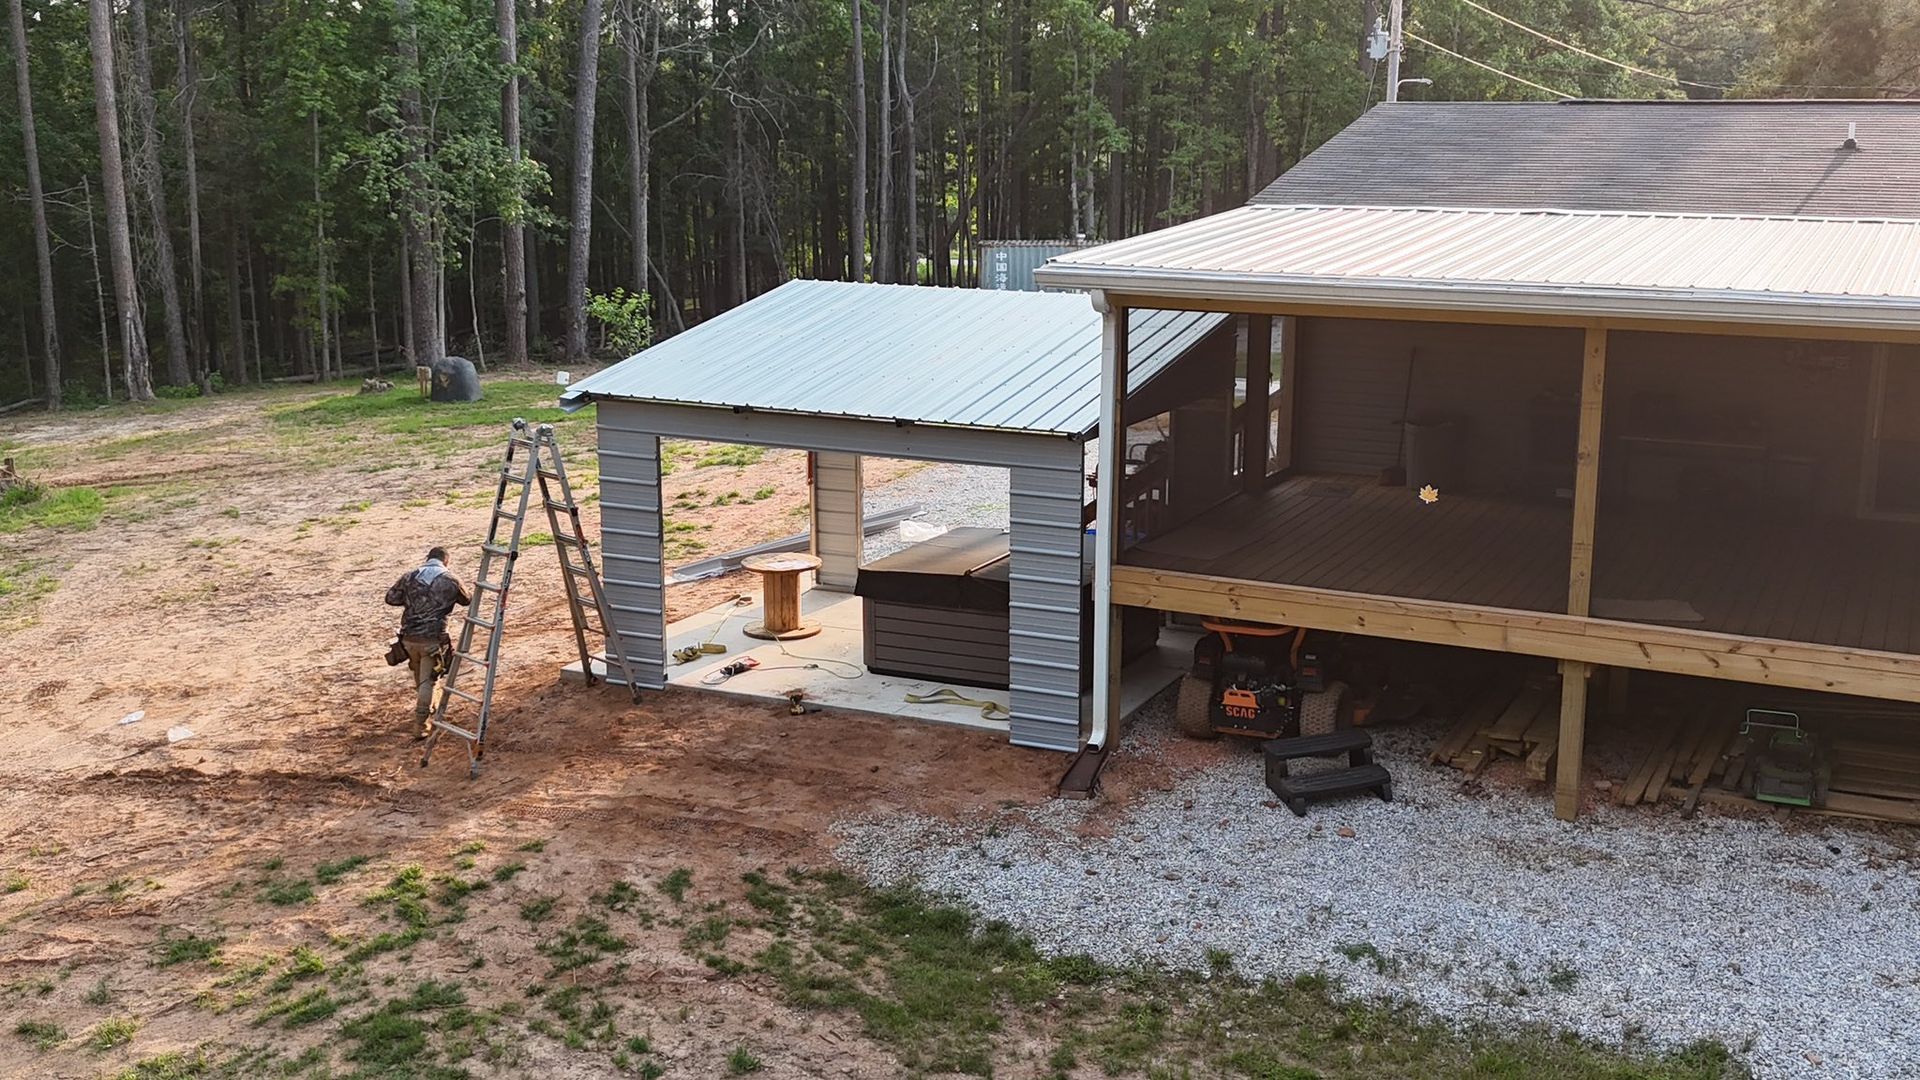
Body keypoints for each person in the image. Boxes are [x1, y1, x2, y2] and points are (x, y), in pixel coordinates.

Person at [385, 546, 471, 736]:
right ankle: (421, 725)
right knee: (429, 681)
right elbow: (467, 600)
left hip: (408, 638)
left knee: (419, 675)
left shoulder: (410, 576)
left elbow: (391, 598)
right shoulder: (451, 580)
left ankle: (429, 706)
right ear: (446, 561)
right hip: (433, 639)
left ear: (427, 558)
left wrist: (413, 600)